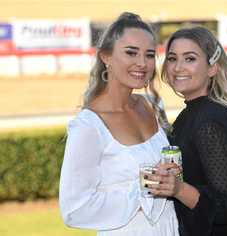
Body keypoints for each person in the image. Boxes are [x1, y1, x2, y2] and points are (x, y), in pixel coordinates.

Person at [59, 12, 180, 236]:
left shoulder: (151, 105)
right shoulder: (89, 126)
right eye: (131, 52)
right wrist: (148, 184)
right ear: (106, 56)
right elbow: (74, 209)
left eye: (150, 54)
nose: (142, 63)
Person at [146, 26, 227, 235]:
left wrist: (178, 189)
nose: (178, 67)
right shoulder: (194, 113)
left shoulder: (208, 121)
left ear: (212, 67)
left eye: (190, 58)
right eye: (172, 58)